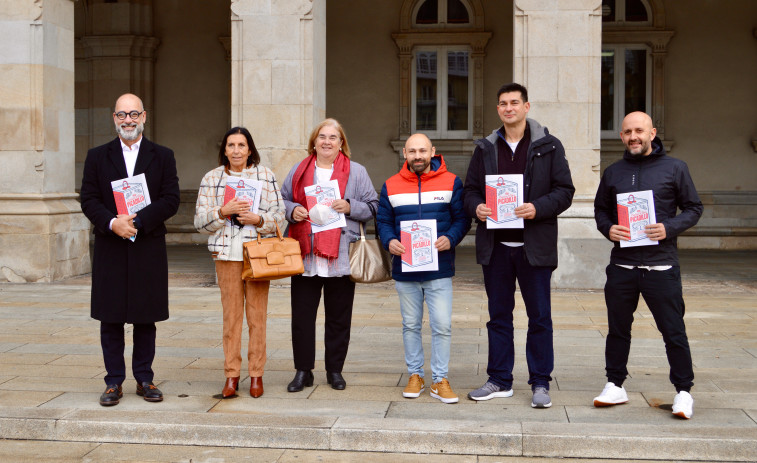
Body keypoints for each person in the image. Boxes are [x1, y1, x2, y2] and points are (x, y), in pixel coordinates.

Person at [462, 83, 574, 408]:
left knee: (539, 317)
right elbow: (469, 191)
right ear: (498, 109)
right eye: (502, 104)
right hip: (496, 248)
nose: (508, 108)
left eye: (514, 102)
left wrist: (538, 207)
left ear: (527, 106)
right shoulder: (485, 148)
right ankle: (499, 379)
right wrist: (477, 208)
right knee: (498, 316)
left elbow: (565, 190)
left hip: (533, 248)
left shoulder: (549, 146)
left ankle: (540, 383)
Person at [593, 111, 702, 419]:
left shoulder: (675, 168)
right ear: (621, 137)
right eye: (627, 132)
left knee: (673, 331)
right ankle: (615, 385)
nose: (633, 137)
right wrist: (608, 228)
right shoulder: (613, 172)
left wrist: (670, 227)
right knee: (617, 330)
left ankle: (683, 392)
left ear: (652, 132)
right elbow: (601, 209)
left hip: (661, 266)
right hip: (623, 266)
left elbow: (694, 208)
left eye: (639, 130)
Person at [80, 93, 180, 406]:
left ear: (144, 117)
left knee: (144, 317)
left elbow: (171, 198)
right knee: (110, 318)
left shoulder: (162, 155)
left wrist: (138, 221)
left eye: (134, 114)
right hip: (111, 245)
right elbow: (88, 199)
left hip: (146, 246)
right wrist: (113, 223)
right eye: (122, 114)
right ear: (114, 118)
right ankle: (113, 382)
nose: (128, 120)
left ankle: (145, 378)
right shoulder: (97, 156)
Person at [281, 118, 379, 392]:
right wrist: (292, 211)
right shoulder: (299, 170)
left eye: (333, 137)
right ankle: (303, 371)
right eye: (322, 136)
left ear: (341, 143)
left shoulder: (357, 172)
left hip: (341, 256)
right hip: (306, 256)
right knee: (302, 318)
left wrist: (349, 206)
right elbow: (283, 199)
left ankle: (334, 370)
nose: (326, 141)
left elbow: (374, 206)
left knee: (338, 318)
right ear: (313, 141)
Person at [376, 134, 470, 404]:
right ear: (404, 153)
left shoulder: (451, 181)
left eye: (423, 151)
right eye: (413, 151)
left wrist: (450, 238)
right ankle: (415, 374)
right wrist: (389, 240)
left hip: (439, 268)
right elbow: (383, 220)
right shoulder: (391, 185)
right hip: (405, 269)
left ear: (433, 152)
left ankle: (440, 379)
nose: (418, 156)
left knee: (441, 325)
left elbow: (462, 219)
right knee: (411, 325)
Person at [194, 127, 286, 399]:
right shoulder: (212, 178)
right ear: (224, 149)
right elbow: (199, 222)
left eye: (241, 145)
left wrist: (258, 220)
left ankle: (256, 374)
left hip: (256, 254)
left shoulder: (265, 175)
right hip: (226, 256)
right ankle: (232, 375)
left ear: (249, 149)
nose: (236, 150)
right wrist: (224, 212)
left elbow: (280, 215)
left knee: (257, 318)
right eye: (231, 145)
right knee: (231, 319)